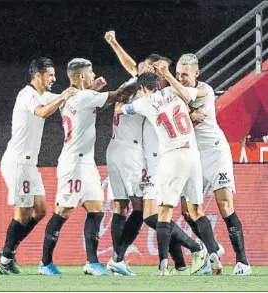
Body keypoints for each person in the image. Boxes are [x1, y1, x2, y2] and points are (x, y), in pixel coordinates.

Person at [105, 31, 209, 276]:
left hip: (158, 157)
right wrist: (115, 43)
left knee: (152, 211)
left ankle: (183, 260)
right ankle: (196, 250)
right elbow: (133, 70)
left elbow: (197, 95)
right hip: (149, 158)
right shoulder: (147, 90)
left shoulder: (160, 90)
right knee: (152, 213)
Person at [116, 66, 222, 276]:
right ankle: (214, 255)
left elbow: (120, 110)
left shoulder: (144, 102)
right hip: (193, 155)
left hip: (172, 157)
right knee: (196, 211)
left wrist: (122, 95)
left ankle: (163, 265)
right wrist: (170, 78)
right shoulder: (175, 91)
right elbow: (202, 92)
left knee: (164, 211)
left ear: (144, 89)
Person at [38, 58, 131, 276]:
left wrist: (95, 90)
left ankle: (92, 262)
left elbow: (94, 107)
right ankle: (45, 262)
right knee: (63, 211)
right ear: (81, 76)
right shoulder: (82, 96)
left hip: (87, 163)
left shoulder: (76, 96)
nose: (94, 76)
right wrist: (136, 80)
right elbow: (118, 95)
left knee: (96, 209)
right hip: (73, 163)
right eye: (90, 73)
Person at [0, 57, 77, 275]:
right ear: (38, 75)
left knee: (40, 211)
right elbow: (42, 111)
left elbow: (65, 99)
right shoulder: (27, 94)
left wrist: (89, 90)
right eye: (50, 74)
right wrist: (62, 97)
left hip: (30, 165)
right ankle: (5, 259)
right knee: (22, 215)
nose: (53, 78)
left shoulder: (44, 95)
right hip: (18, 163)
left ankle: (7, 252)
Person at [176, 53, 251, 276]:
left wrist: (183, 112)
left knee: (225, 205)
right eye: (178, 74)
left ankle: (242, 261)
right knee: (188, 212)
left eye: (186, 74)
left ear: (196, 73)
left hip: (215, 152)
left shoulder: (205, 91)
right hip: (191, 155)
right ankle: (213, 248)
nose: (181, 78)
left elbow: (193, 115)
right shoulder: (175, 92)